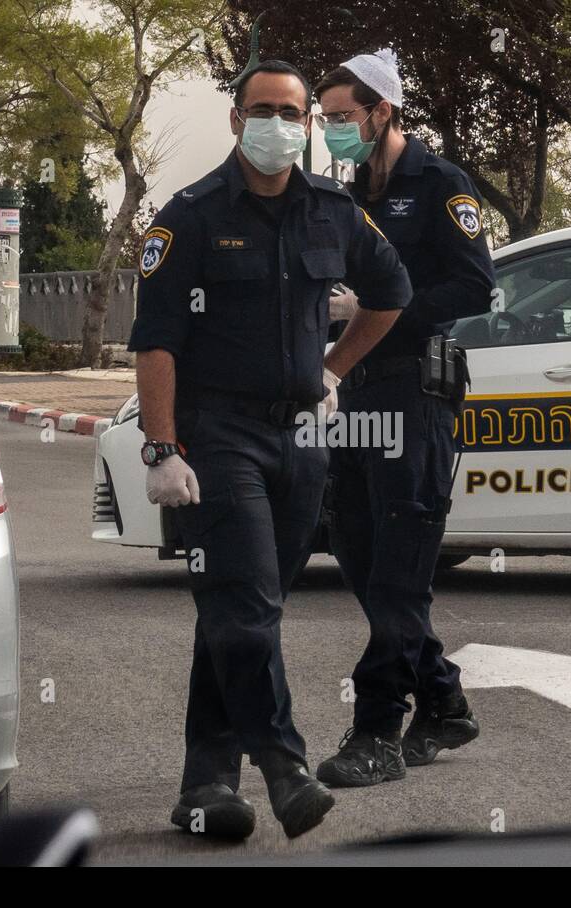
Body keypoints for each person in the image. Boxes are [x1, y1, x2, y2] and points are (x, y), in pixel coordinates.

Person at [130, 60, 413, 838]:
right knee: (248, 603)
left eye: (294, 113)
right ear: (235, 119)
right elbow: (154, 342)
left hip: (300, 437)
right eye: (264, 110)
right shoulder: (185, 217)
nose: (280, 124)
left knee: (240, 606)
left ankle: (206, 786)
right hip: (216, 436)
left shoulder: (332, 210)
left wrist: (331, 370)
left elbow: (393, 294)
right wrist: (162, 449)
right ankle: (283, 765)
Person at [312, 49, 496, 788]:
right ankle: (445, 700)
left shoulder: (440, 183)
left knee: (399, 571)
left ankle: (376, 730)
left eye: (342, 118)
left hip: (414, 395)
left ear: (382, 112)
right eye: (324, 120)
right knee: (358, 556)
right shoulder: (346, 189)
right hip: (354, 392)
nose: (331, 132)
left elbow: (475, 285)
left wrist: (380, 309)